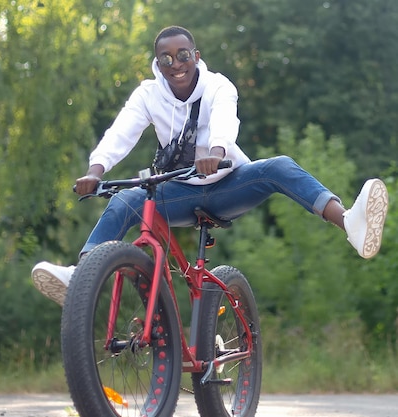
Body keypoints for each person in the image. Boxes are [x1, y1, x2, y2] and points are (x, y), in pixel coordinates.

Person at [31, 25, 389, 306]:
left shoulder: (219, 86)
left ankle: (349, 222)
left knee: (278, 165)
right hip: (179, 192)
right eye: (166, 59)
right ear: (158, 65)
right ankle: (80, 278)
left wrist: (215, 151)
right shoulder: (147, 95)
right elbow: (120, 133)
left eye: (182, 55)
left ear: (196, 55)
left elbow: (225, 120)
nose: (176, 65)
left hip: (228, 185)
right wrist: (96, 171)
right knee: (126, 200)